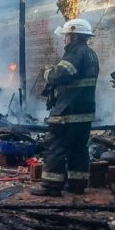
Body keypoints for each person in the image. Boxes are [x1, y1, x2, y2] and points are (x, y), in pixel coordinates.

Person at [31, 18, 99, 197]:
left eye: (66, 35)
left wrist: (47, 73)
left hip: (67, 112)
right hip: (84, 114)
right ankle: (77, 184)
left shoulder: (75, 53)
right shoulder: (91, 54)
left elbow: (60, 75)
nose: (64, 39)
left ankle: (51, 186)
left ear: (74, 36)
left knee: (57, 147)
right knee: (79, 148)